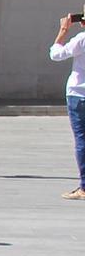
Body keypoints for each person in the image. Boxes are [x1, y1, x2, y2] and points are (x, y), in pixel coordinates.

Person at [54, 11, 85, 200]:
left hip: (78, 94)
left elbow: (57, 54)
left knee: (82, 140)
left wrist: (63, 31)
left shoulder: (81, 38)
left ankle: (84, 186)